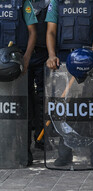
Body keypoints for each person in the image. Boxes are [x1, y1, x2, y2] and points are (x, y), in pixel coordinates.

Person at [45, 0, 93, 167]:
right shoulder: (56, 2)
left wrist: (89, 59)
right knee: (64, 109)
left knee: (89, 107)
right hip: (64, 62)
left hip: (87, 60)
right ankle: (65, 154)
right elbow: (51, 31)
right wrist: (51, 55)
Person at [0, 0, 38, 166]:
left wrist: (27, 59)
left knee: (22, 109)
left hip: (17, 65)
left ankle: (23, 150)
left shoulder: (23, 3)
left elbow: (32, 32)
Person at [29, 0, 50, 152]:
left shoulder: (50, 3)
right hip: (20, 53)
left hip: (44, 54)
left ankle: (41, 137)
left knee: (43, 97)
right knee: (24, 97)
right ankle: (23, 140)